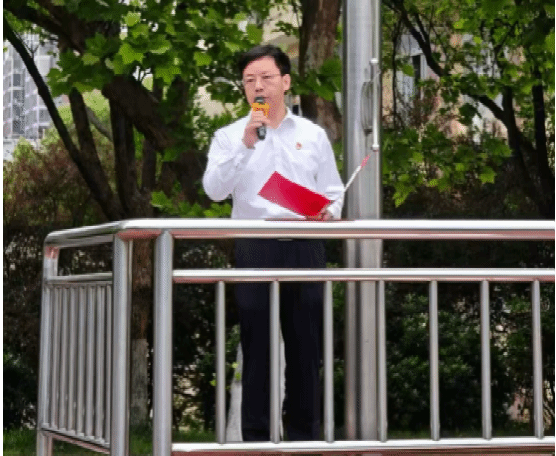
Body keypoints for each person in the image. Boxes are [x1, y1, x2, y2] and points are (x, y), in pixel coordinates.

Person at [202, 45, 344, 441]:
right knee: (257, 346)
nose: (258, 86)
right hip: (255, 244)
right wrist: (245, 144)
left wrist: (328, 212)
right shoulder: (229, 136)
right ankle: (256, 439)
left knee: (306, 347)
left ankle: (304, 438)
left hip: (305, 244)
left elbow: (332, 191)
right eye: (249, 80)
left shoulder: (313, 135)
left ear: (285, 81)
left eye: (266, 77)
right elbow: (214, 190)